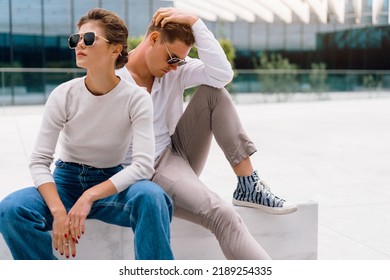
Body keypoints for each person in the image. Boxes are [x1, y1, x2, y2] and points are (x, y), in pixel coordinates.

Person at [116, 7, 297, 260]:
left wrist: (195, 23)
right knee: (223, 215)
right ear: (155, 39)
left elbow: (222, 75)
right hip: (148, 171)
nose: (175, 66)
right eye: (172, 58)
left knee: (214, 93)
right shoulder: (115, 80)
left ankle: (248, 185)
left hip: (175, 152)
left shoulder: (173, 69)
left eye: (180, 60)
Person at [0, 8, 173, 260]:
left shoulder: (136, 98)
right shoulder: (64, 94)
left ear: (116, 49)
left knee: (153, 197)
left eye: (89, 39)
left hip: (110, 185)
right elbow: (39, 161)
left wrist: (90, 196)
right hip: (65, 183)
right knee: (11, 209)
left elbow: (143, 166)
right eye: (76, 39)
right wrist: (59, 211)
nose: (79, 44)